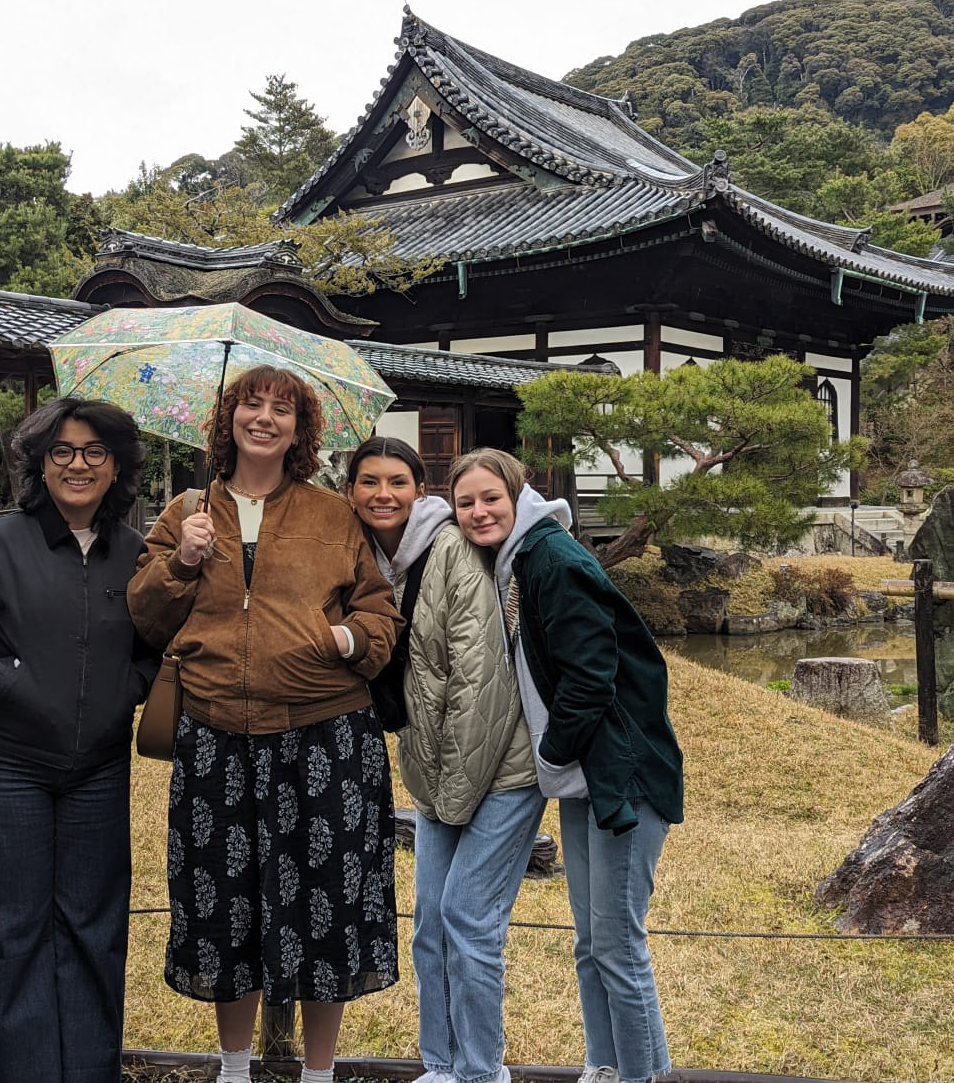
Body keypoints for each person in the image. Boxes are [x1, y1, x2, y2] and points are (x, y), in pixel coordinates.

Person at [129, 366, 402, 1083]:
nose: (264, 418)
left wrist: (345, 638)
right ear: (229, 417)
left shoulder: (332, 514)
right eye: (251, 403)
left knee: (326, 903)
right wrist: (182, 561)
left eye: (283, 409)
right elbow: (146, 617)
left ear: (299, 430)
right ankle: (233, 1066)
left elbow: (379, 612)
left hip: (326, 734)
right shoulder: (185, 510)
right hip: (215, 732)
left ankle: (318, 1072)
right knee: (225, 903)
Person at [0, 397, 156, 1083]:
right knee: (8, 927)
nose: (79, 465)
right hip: (7, 765)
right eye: (63, 452)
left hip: (98, 767)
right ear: (40, 465)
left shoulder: (136, 554)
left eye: (94, 452)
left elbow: (156, 646)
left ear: (116, 467)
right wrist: (12, 681)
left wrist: (126, 690)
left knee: (95, 927)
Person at [446, 448, 685, 1083]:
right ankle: (603, 1067)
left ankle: (637, 1076)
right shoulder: (519, 558)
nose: (478, 511)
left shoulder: (552, 559)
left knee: (618, 946)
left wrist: (550, 752)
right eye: (465, 502)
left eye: (490, 497)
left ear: (517, 494)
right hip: (587, 776)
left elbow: (591, 675)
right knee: (591, 943)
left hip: (622, 772)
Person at [347, 437, 541, 1083]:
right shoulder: (373, 560)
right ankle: (440, 1064)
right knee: (429, 926)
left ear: (420, 491)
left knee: (468, 921)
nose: (383, 495)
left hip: (501, 768)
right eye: (368, 481)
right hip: (437, 773)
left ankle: (481, 1072)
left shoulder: (449, 547)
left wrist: (450, 799)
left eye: (397, 482)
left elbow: (480, 683)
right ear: (349, 491)